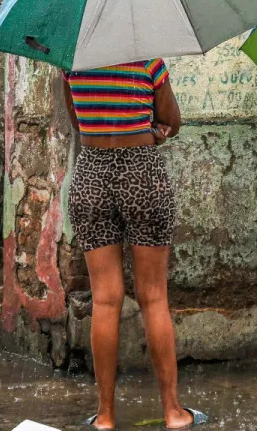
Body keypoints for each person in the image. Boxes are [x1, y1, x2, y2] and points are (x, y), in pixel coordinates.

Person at [62, 58, 206, 430]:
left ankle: (106, 416)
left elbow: (77, 121)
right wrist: (154, 132)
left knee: (105, 299)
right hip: (142, 170)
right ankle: (174, 412)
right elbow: (172, 120)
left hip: (91, 173)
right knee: (154, 296)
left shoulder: (73, 62)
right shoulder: (149, 63)